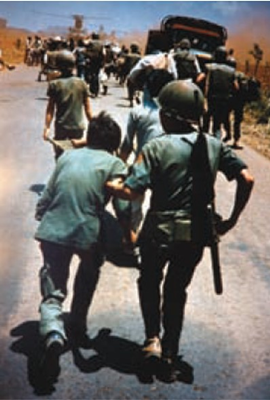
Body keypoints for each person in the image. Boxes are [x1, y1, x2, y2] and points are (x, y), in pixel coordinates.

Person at [106, 80, 254, 382]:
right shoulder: (213, 144)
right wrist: (233, 220)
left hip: (158, 231)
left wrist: (110, 186)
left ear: (171, 115)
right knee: (176, 292)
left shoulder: (156, 146)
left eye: (163, 111)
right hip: (196, 234)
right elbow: (247, 178)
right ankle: (171, 352)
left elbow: (133, 193)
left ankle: (152, 340)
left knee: (149, 282)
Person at [35, 112, 128, 363]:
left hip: (53, 228)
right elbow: (122, 205)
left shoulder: (67, 156)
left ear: (89, 137)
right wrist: (127, 234)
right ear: (114, 144)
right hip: (87, 233)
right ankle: (77, 323)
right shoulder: (115, 163)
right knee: (88, 273)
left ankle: (53, 333)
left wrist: (41, 214)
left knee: (53, 285)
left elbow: (48, 192)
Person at [118, 69, 174, 251]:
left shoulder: (139, 112)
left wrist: (120, 166)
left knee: (134, 204)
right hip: (167, 167)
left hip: (143, 164)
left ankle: (131, 240)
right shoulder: (173, 113)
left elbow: (127, 144)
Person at [43, 49, 92, 158]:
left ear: (58, 65)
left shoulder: (54, 84)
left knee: (60, 156)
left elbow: (50, 109)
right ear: (73, 65)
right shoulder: (81, 83)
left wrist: (47, 127)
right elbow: (88, 109)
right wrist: (93, 124)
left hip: (61, 127)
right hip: (78, 127)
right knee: (77, 156)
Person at [203, 46, 238, 139]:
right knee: (217, 123)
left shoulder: (209, 67)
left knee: (207, 115)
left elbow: (200, 79)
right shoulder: (231, 71)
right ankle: (216, 141)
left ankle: (204, 136)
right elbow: (236, 87)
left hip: (212, 98)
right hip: (224, 99)